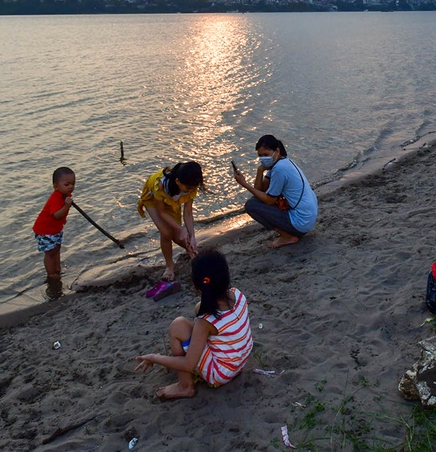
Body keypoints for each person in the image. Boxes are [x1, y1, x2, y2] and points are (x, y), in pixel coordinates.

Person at [135, 247, 253, 400]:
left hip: (221, 374)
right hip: (239, 362)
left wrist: (153, 358)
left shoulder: (206, 321)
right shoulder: (238, 294)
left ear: (197, 286)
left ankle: (185, 386)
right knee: (198, 309)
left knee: (178, 325)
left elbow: (188, 364)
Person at [234, 134, 318, 248]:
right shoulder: (282, 163)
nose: (263, 158)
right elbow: (260, 189)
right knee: (257, 200)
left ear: (277, 151)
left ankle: (288, 236)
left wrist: (244, 184)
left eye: (266, 155)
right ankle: (289, 233)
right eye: (260, 156)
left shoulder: (280, 169)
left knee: (251, 205)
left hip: (301, 221)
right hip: (306, 218)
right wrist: (260, 170)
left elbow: (269, 200)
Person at [138, 162, 204, 284]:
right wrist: (180, 228)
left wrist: (192, 236)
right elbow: (161, 212)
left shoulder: (190, 186)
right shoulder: (161, 185)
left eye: (193, 188)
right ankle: (169, 267)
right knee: (166, 232)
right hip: (153, 200)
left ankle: (191, 251)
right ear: (178, 181)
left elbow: (188, 213)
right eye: (189, 188)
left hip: (173, 199)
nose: (191, 191)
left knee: (179, 234)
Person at [32, 166, 75, 280]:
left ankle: (57, 269)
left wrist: (64, 217)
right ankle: (51, 274)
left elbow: (61, 215)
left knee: (56, 249)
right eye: (67, 184)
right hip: (45, 231)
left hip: (55, 229)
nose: (71, 187)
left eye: (73, 184)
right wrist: (66, 206)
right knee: (50, 253)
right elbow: (56, 215)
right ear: (56, 186)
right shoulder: (56, 197)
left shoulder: (65, 195)